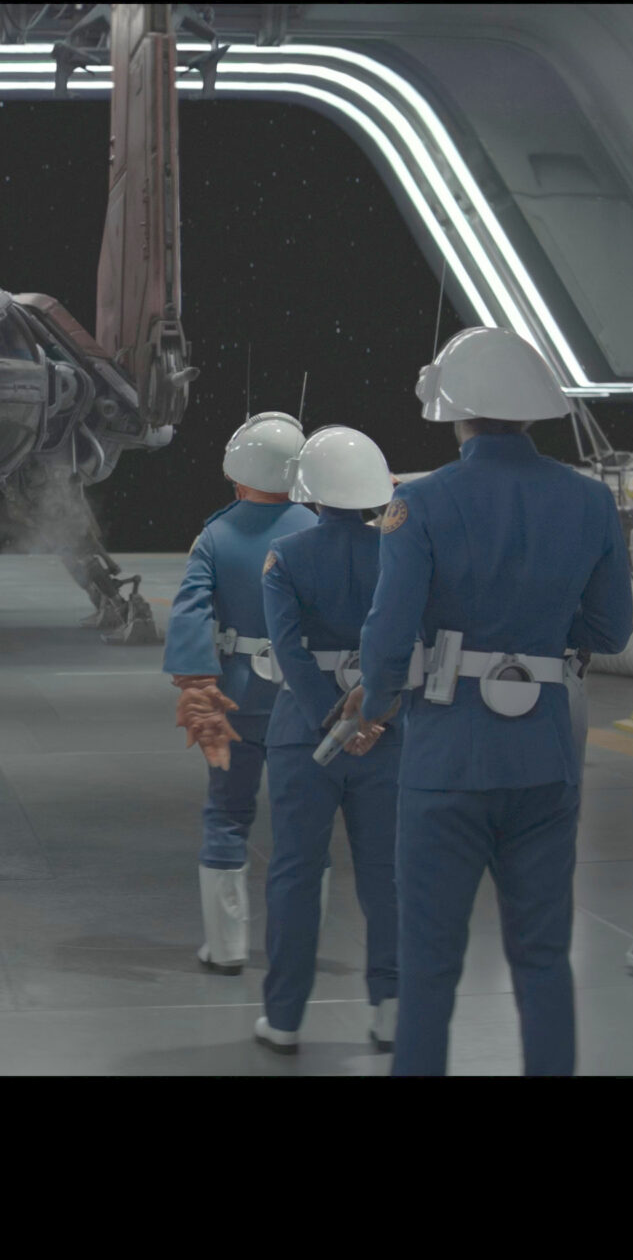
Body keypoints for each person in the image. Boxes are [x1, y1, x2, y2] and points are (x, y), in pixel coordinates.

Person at [347, 328, 633, 1076]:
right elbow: (612, 629)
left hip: (446, 759)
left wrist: (376, 705)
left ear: (453, 411)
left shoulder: (419, 503)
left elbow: (388, 636)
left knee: (429, 964)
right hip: (544, 757)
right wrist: (540, 640)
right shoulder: (591, 500)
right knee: (543, 958)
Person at [253, 426, 402, 1055]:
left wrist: (331, 718)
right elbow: (408, 640)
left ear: (308, 489)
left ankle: (284, 1018)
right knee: (387, 875)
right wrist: (373, 716)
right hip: (385, 735)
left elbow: (287, 650)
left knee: (294, 874)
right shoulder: (398, 552)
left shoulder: (285, 555)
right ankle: (391, 1009)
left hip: (303, 737)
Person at [163, 412, 313, 975]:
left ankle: (226, 948)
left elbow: (189, 613)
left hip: (236, 700)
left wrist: (198, 683)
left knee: (227, 815)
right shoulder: (320, 527)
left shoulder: (216, 535)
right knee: (306, 824)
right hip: (307, 700)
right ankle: (298, 947)